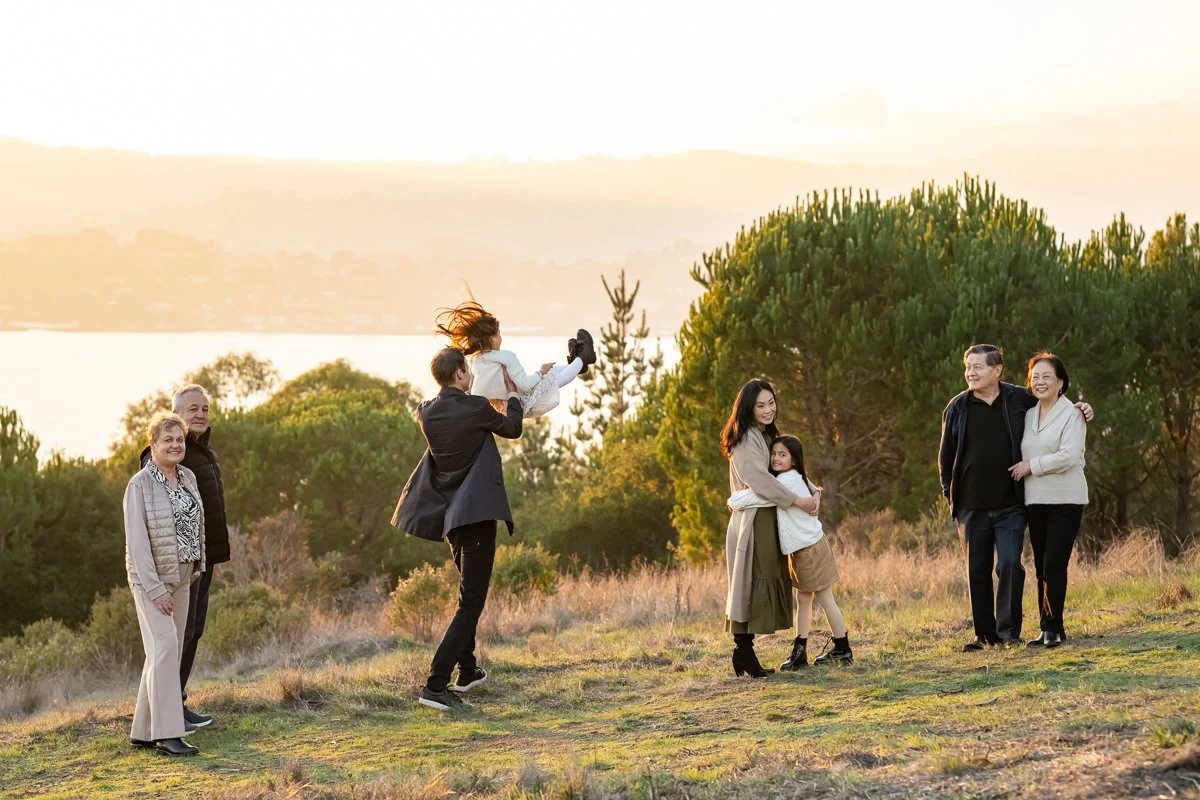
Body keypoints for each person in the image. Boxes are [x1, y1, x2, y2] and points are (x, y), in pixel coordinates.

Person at [391, 347, 523, 710]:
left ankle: (467, 671)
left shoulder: (426, 412)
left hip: (451, 520)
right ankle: (435, 685)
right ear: (461, 373)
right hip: (477, 517)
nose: (471, 374)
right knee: (471, 603)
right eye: (468, 369)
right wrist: (512, 396)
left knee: (467, 598)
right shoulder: (476, 408)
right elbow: (512, 429)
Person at [939, 344, 1092, 652]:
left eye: (978, 367)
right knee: (977, 570)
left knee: (1011, 565)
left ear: (997, 370)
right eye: (968, 367)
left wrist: (1083, 407)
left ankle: (1009, 632)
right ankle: (985, 636)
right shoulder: (957, 407)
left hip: (1011, 504)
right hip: (971, 506)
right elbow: (945, 457)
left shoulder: (1019, 399)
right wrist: (950, 497)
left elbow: (1053, 402)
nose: (971, 373)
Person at [139, 384, 228, 729]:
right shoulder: (168, 451)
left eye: (205, 408)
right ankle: (163, 712)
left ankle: (175, 702)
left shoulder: (202, 451)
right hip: (176, 563)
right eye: (193, 409)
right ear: (175, 414)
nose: (201, 414)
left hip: (203, 558)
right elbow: (150, 496)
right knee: (175, 636)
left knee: (192, 632)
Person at [728, 434, 852, 668]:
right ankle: (800, 650)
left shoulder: (787, 482)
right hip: (803, 550)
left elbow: (757, 497)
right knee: (804, 600)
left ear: (794, 460)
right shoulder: (789, 478)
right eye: (774, 454)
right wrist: (816, 492)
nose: (776, 458)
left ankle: (842, 648)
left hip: (811, 549)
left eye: (782, 455)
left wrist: (733, 500)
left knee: (825, 598)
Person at [721, 379, 816, 678]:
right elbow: (760, 481)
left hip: (767, 517)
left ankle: (745, 653)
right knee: (749, 582)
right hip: (752, 521)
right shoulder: (744, 438)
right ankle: (743, 652)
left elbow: (784, 470)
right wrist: (797, 501)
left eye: (771, 402)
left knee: (756, 579)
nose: (767, 409)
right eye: (760, 405)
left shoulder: (765, 435)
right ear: (748, 408)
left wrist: (812, 491)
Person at [124, 412, 206, 756]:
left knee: (162, 652)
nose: (175, 445)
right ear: (153, 444)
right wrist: (155, 589)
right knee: (166, 649)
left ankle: (143, 731)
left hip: (184, 576)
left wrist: (196, 565)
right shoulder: (139, 485)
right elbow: (137, 543)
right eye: (167, 440)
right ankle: (168, 733)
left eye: (180, 440)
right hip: (151, 582)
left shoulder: (188, 476)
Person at [1008, 353, 1088, 649]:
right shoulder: (1029, 414)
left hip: (1066, 499)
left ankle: (1052, 627)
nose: (1040, 382)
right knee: (1041, 565)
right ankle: (1048, 627)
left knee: (1054, 562)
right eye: (1035, 377)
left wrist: (1032, 466)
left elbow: (1069, 456)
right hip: (1036, 500)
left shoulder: (1073, 414)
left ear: (1061, 383)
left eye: (1047, 377)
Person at [434, 299, 596, 418]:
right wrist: (541, 372)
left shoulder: (476, 360)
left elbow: (476, 389)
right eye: (499, 333)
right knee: (554, 379)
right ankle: (582, 357)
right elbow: (525, 385)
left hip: (502, 409)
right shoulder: (506, 357)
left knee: (552, 373)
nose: (501, 337)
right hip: (522, 402)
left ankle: (575, 364)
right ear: (491, 338)